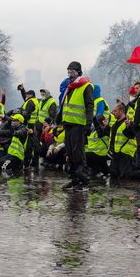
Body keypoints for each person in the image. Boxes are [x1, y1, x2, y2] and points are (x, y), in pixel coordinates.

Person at [56, 61, 94, 191]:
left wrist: (88, 124)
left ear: (78, 71)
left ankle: (83, 181)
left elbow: (89, 106)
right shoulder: (70, 86)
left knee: (78, 155)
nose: (69, 72)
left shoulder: (86, 86)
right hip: (68, 124)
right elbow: (64, 104)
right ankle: (74, 179)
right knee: (70, 154)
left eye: (72, 69)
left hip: (79, 125)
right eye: (68, 69)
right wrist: (59, 118)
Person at [109, 103, 140, 180]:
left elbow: (132, 135)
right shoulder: (115, 124)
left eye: (115, 111)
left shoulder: (128, 122)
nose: (113, 113)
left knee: (125, 176)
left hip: (126, 153)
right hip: (116, 153)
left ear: (121, 111)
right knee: (113, 174)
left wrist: (128, 127)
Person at [18, 85, 40, 167]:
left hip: (29, 125)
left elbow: (27, 114)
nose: (26, 95)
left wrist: (22, 123)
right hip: (33, 124)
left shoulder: (30, 102)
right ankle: (33, 161)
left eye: (27, 94)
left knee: (28, 145)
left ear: (31, 95)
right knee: (32, 143)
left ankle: (27, 162)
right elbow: (25, 98)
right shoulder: (33, 100)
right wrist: (22, 90)